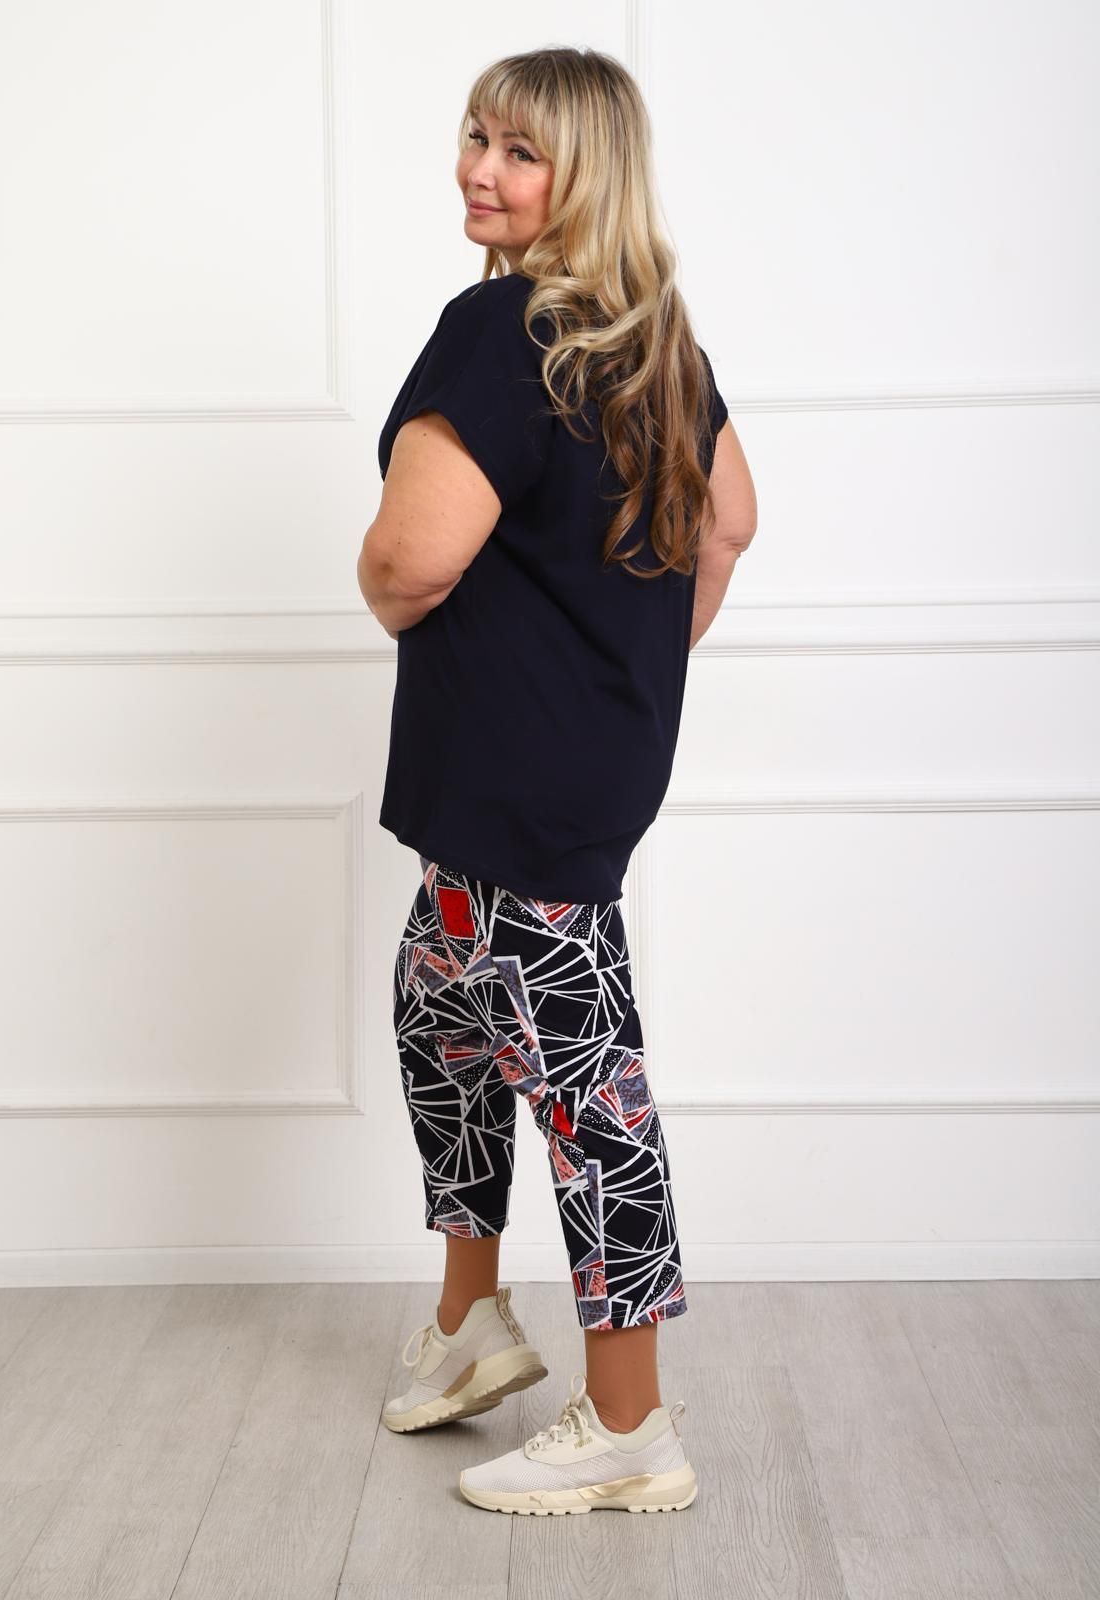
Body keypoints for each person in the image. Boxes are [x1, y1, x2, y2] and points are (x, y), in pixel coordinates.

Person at [357, 46, 758, 1515]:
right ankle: (470, 1318)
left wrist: (392, 592)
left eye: (520, 151)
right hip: (552, 772)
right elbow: (731, 522)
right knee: (441, 1012)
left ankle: (632, 1425)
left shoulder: (499, 328)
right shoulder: (658, 347)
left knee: (591, 1093)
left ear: (585, 177)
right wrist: (622, 670)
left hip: (516, 785)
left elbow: (411, 559)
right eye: (477, 135)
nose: (481, 169)